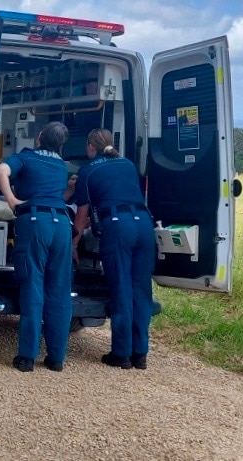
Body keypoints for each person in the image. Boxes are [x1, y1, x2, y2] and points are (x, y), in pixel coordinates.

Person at [0, 122, 73, 373]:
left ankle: (27, 356)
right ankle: (56, 358)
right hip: (62, 224)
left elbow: (1, 171)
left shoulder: (25, 157)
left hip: (36, 222)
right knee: (59, 290)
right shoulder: (61, 165)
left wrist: (11, 199)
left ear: (39, 137)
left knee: (33, 284)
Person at [72, 128, 155, 370]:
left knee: (121, 288)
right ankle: (140, 353)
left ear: (90, 146)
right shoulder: (127, 164)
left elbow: (81, 217)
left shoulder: (87, 171)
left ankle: (121, 354)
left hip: (119, 228)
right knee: (141, 290)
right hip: (144, 225)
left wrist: (73, 245)